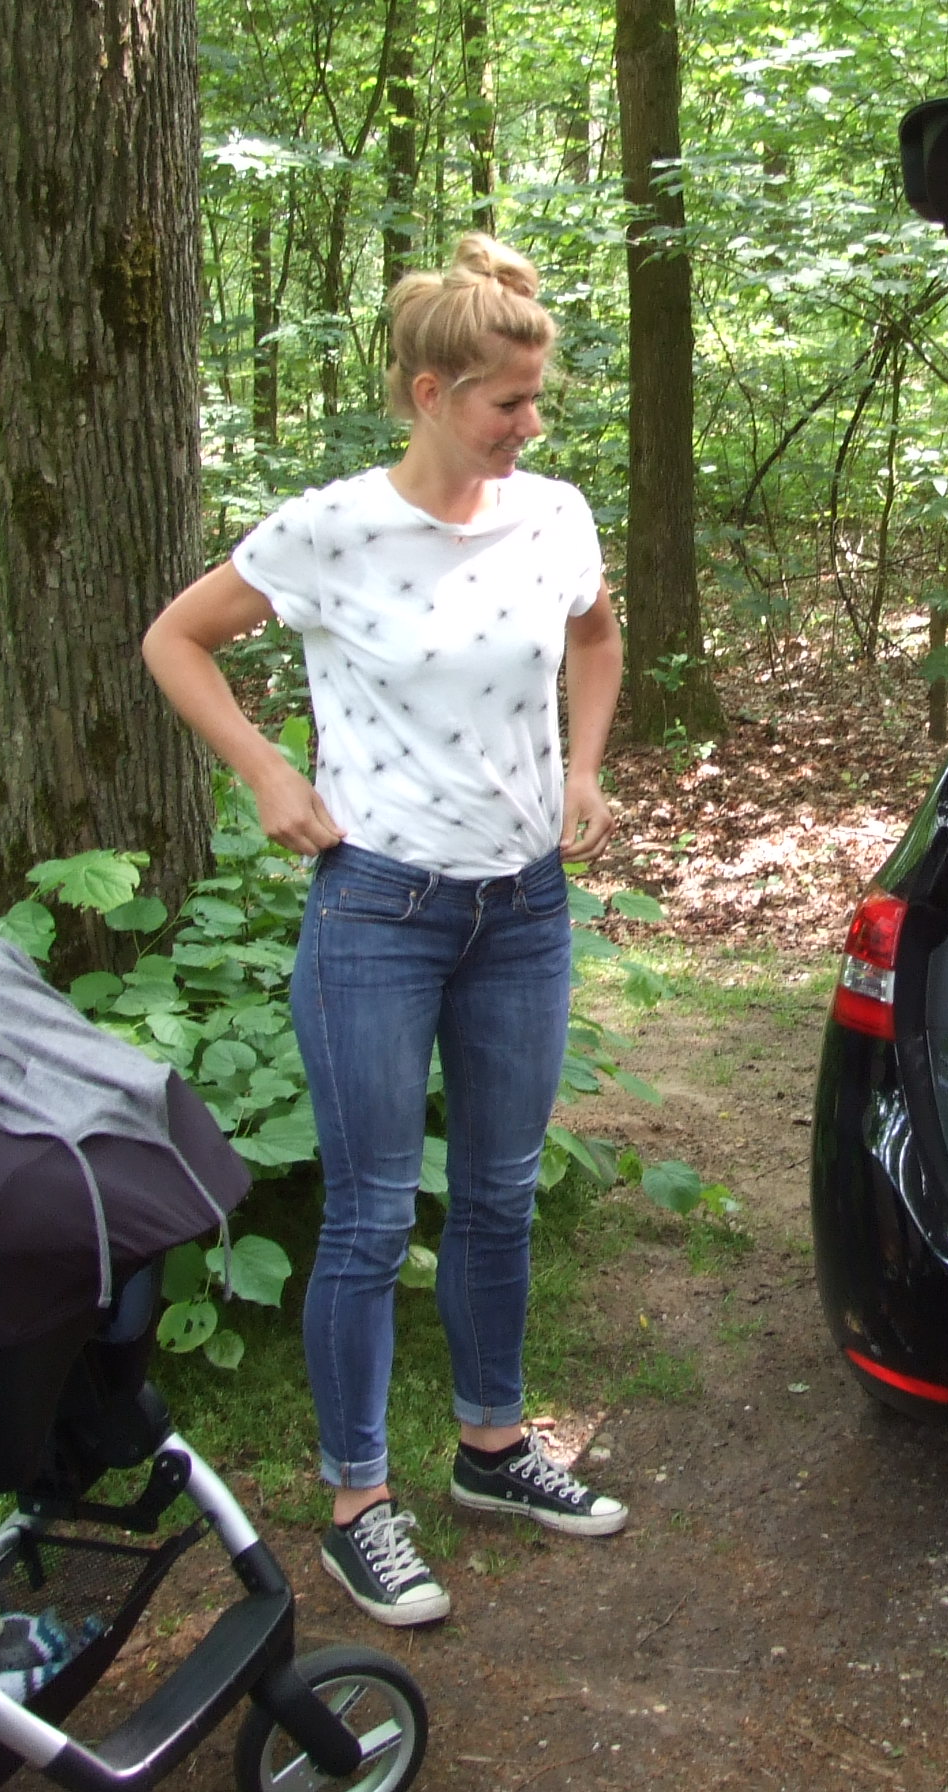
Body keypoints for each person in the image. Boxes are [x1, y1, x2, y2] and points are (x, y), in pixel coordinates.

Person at [144, 232, 627, 1629]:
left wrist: (586, 770)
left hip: (522, 909)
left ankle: (492, 1447)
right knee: (366, 1215)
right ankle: (359, 1503)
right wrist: (264, 771)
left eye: (536, 402)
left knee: (499, 1194)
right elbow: (176, 639)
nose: (529, 428)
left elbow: (596, 637)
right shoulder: (331, 529)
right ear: (430, 393)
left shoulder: (553, 516)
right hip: (378, 912)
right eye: (508, 405)